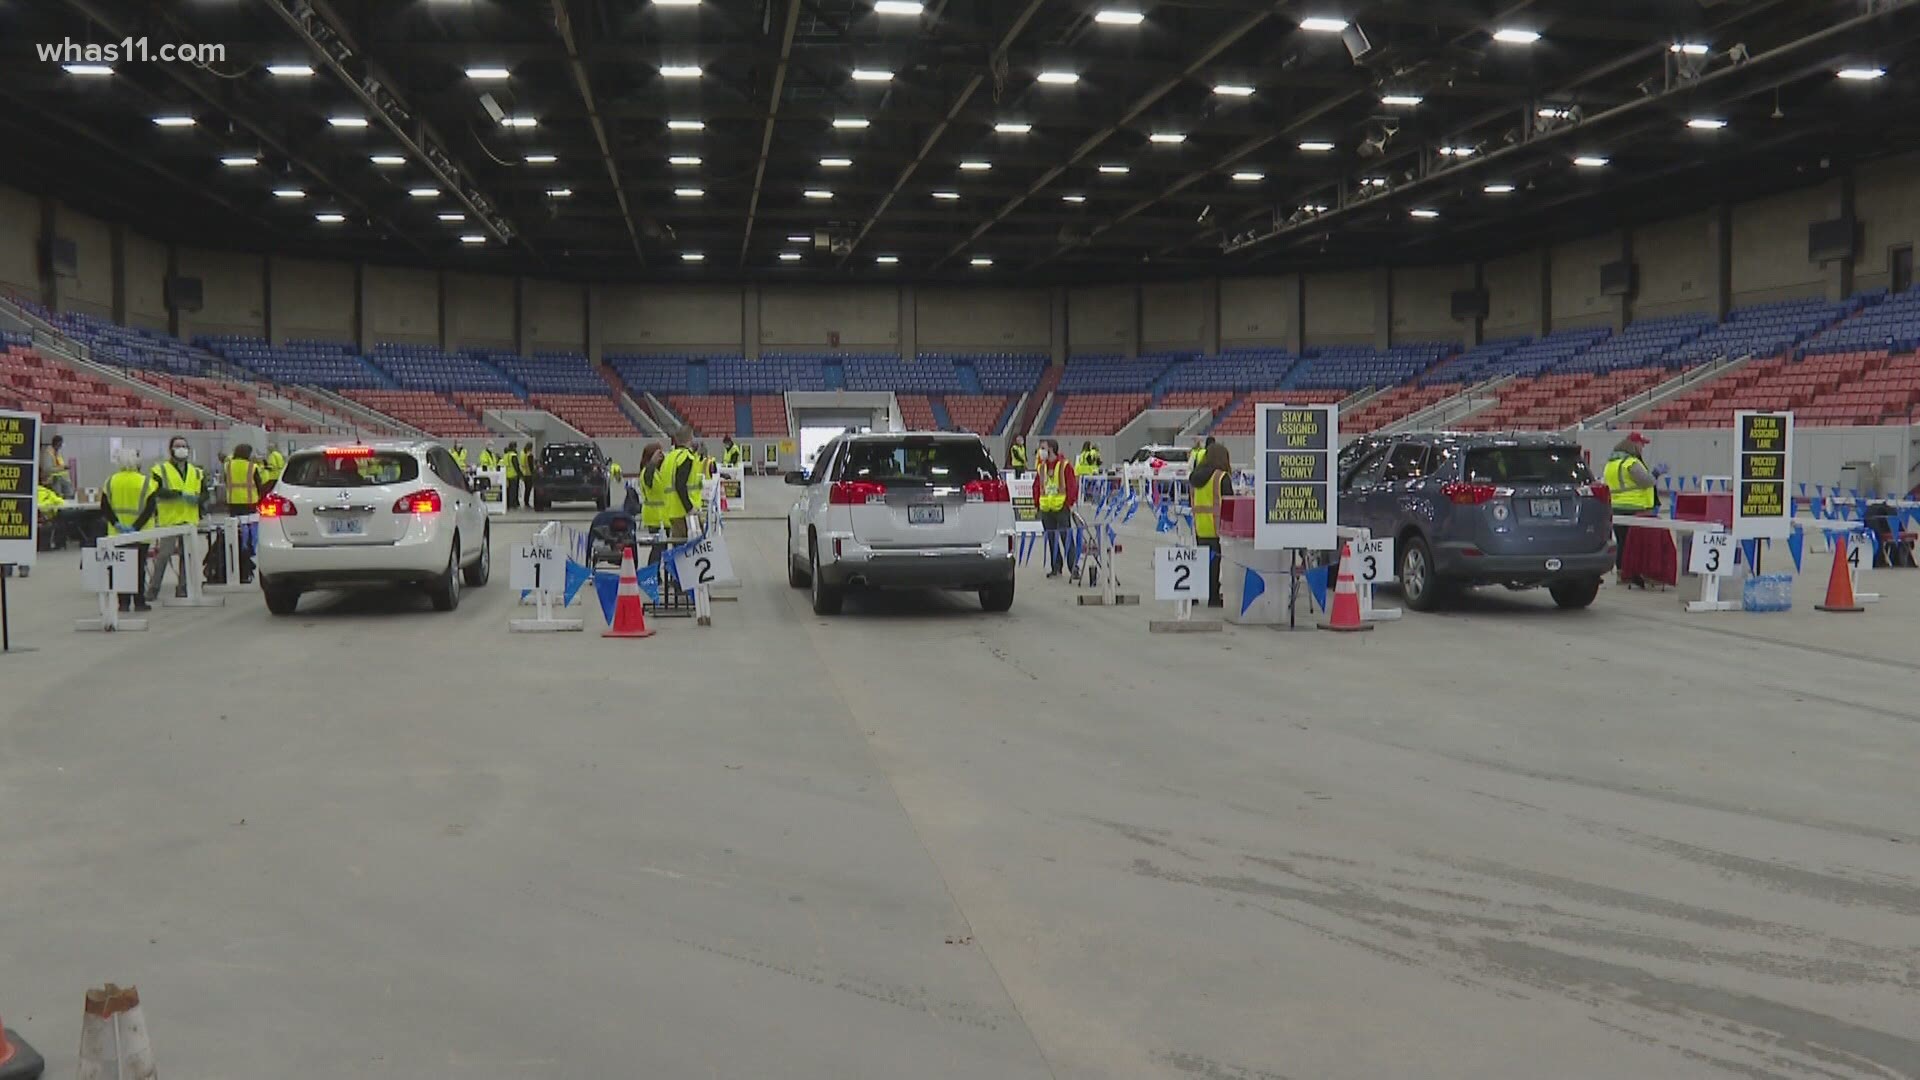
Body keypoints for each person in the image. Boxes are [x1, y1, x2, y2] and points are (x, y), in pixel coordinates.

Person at [145, 434, 205, 602]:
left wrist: (198, 499)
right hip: (170, 520)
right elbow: (155, 491)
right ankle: (154, 588)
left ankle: (183, 587)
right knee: (164, 555)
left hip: (189, 519)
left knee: (187, 556)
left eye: (184, 446)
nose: (181, 449)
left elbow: (205, 493)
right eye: (178, 446)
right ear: (171, 449)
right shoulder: (160, 470)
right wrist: (178, 494)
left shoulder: (197, 471)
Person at [101, 447, 154, 611]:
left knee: (120, 570)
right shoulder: (146, 482)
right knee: (139, 568)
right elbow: (150, 508)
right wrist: (136, 526)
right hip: (141, 533)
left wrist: (116, 523)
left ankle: (122, 603)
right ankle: (139, 602)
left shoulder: (110, 481)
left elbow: (104, 506)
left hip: (116, 533)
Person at [1604, 432, 1659, 585]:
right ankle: (1632, 572)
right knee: (1633, 543)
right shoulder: (1631, 463)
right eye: (1641, 444)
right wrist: (1655, 473)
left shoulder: (1611, 463)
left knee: (1622, 542)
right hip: (1633, 507)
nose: (1643, 448)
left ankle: (1621, 571)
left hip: (1615, 507)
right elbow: (1646, 481)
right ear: (1634, 444)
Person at [1189, 442, 1234, 607]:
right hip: (1217, 527)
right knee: (1215, 563)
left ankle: (1194, 593)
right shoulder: (1221, 478)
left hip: (1200, 526)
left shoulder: (1195, 478)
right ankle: (1213, 597)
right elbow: (1230, 503)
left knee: (1202, 562)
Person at [1035, 439, 1079, 579]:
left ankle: (1073, 568)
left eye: (1043, 448)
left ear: (1051, 449)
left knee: (1066, 538)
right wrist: (1037, 503)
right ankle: (1056, 567)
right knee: (1051, 539)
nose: (1040, 451)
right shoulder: (1041, 467)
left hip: (1061, 507)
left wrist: (1068, 502)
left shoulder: (1064, 465)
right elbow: (1037, 486)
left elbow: (1072, 485)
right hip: (1046, 508)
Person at [225, 443, 263, 583]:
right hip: (249, 502)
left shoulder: (228, 465)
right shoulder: (252, 467)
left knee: (236, 531)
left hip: (233, 502)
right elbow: (259, 485)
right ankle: (248, 552)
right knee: (250, 530)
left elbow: (226, 482)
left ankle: (237, 554)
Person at [662, 427, 698, 539]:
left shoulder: (669, 457)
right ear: (690, 439)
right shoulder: (686, 457)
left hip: (671, 510)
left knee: (678, 549)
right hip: (684, 512)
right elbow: (680, 485)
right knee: (690, 550)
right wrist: (690, 508)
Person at [636, 443, 666, 536]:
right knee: (658, 547)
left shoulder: (658, 472)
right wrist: (652, 462)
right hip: (654, 517)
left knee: (662, 547)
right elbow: (648, 477)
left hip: (662, 516)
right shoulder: (647, 471)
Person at [502, 440, 521, 510]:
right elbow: (516, 466)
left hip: (506, 475)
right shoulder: (513, 455)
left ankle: (508, 504)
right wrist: (520, 474)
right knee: (513, 491)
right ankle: (513, 504)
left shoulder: (505, 455)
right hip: (513, 475)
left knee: (508, 491)